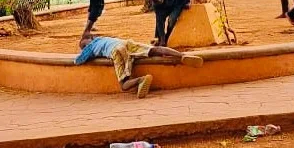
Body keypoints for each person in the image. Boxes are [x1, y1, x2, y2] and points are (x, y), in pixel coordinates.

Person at [75, 31, 203, 98]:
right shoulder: (103, 38)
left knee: (124, 85)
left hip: (117, 51)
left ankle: (141, 80)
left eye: (83, 46)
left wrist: (82, 53)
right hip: (126, 43)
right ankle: (182, 56)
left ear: (88, 43)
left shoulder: (90, 47)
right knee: (155, 50)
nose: (83, 49)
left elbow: (79, 60)